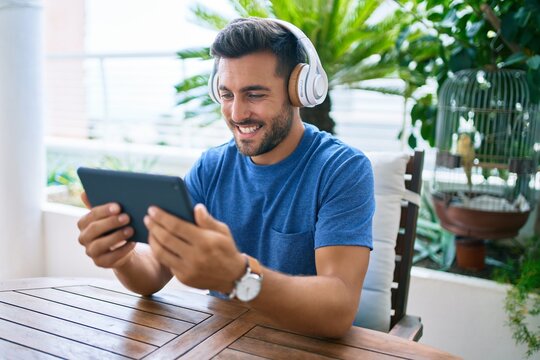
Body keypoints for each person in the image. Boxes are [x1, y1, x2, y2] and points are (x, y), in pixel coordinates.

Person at [77, 17, 374, 338]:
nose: (236, 113)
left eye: (254, 94)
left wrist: (239, 276)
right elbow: (154, 274)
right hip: (220, 343)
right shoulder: (212, 166)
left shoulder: (342, 169)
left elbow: (338, 308)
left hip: (303, 348)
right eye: (227, 94)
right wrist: (124, 256)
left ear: (298, 90)